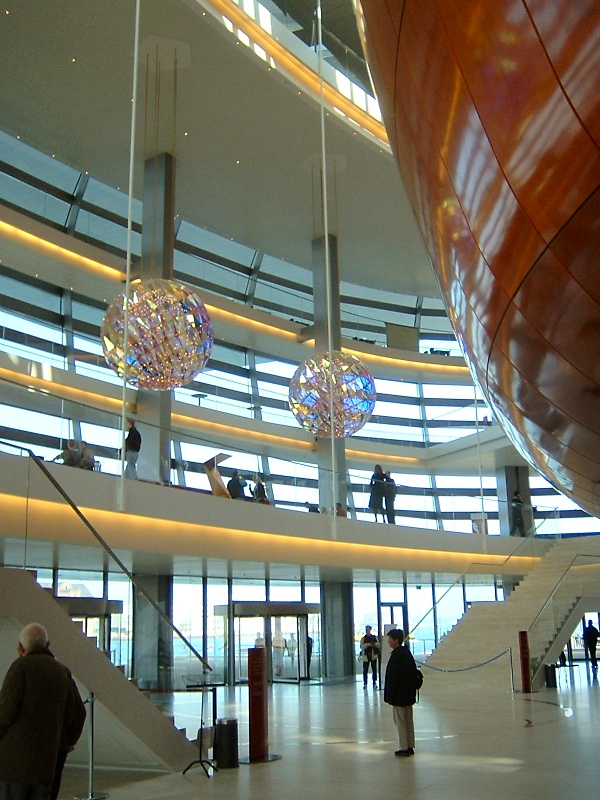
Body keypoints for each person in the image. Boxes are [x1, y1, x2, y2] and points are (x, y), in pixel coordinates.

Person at [0, 623, 86, 800]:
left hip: (14, 767)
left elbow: (5, 713)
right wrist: (64, 743)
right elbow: (77, 714)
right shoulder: (62, 672)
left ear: (20, 648)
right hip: (46, 764)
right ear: (47, 645)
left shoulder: (20, 667)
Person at [384, 628, 419, 757]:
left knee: (400, 721)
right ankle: (410, 745)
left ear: (396, 640)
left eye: (390, 639)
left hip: (399, 695)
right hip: (408, 694)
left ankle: (403, 747)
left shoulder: (396, 656)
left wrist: (389, 695)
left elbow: (393, 678)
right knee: (408, 720)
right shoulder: (407, 654)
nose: (388, 641)